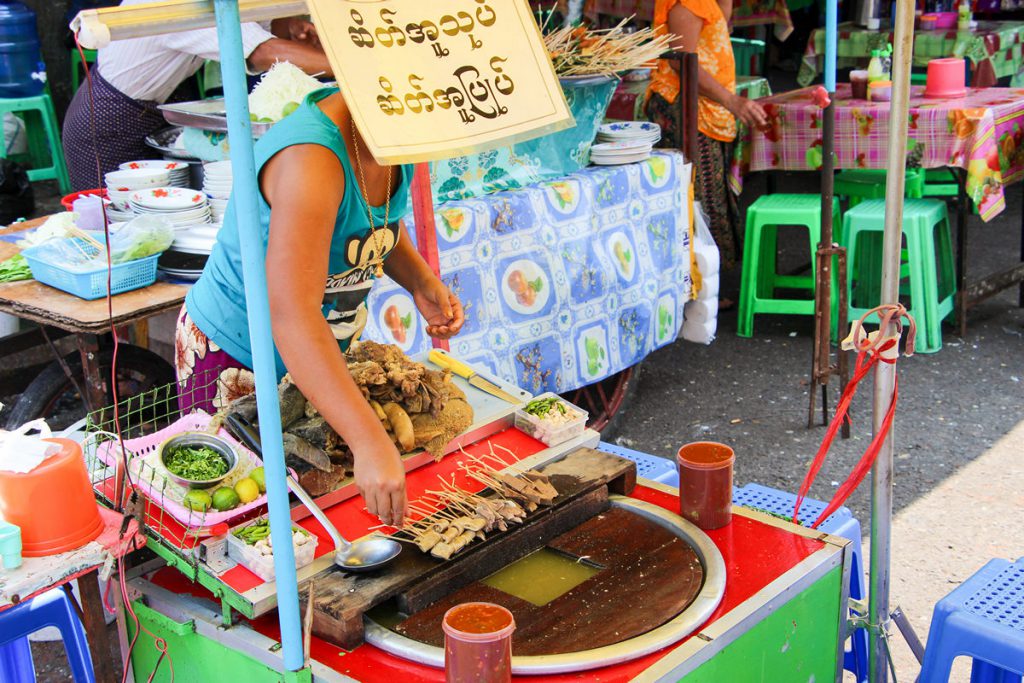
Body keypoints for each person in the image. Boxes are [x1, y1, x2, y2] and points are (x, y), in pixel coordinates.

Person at [175, 86, 465, 527]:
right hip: (241, 356)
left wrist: (419, 281)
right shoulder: (310, 160)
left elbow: (370, 218)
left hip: (319, 352)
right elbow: (291, 314)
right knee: (249, 520)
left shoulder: (392, 131)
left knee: (313, 516)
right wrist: (368, 440)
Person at [62, 0, 331, 190]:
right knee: (117, 228)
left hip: (152, 107)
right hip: (107, 120)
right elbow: (260, 51)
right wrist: (348, 67)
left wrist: (291, 23)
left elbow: (264, 25)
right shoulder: (182, 5)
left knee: (163, 218)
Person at [646, 0, 768, 279]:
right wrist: (732, 101)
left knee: (713, 195)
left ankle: (712, 283)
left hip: (709, 113)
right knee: (698, 200)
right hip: (688, 112)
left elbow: (722, 20)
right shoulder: (684, 5)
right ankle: (698, 283)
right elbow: (683, 64)